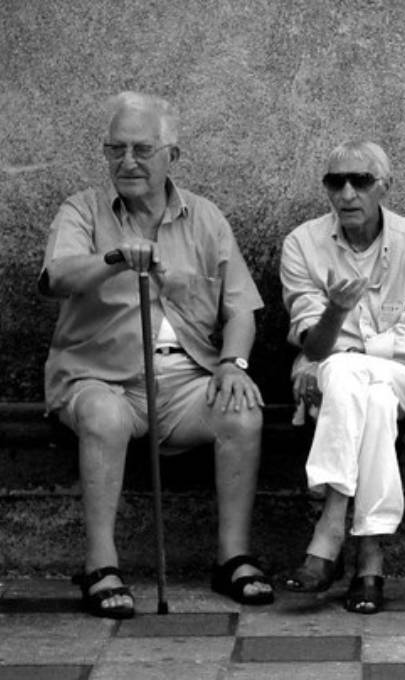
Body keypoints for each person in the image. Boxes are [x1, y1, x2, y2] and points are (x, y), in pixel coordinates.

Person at [39, 91, 273, 618]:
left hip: (186, 379)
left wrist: (233, 363)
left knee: (242, 409)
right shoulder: (83, 209)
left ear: (172, 155)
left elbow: (241, 311)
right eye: (115, 149)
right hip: (102, 378)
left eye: (142, 149)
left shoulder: (206, 218)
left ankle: (232, 557)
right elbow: (58, 276)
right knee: (101, 414)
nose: (127, 161)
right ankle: (101, 564)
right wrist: (115, 258)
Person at [279, 141, 405, 614]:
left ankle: (330, 524)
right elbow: (311, 343)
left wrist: (351, 351)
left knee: (345, 370)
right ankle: (370, 558)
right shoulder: (302, 244)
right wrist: (337, 310)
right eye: (336, 182)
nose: (348, 193)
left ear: (384, 187)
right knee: (365, 397)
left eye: (361, 181)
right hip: (339, 378)